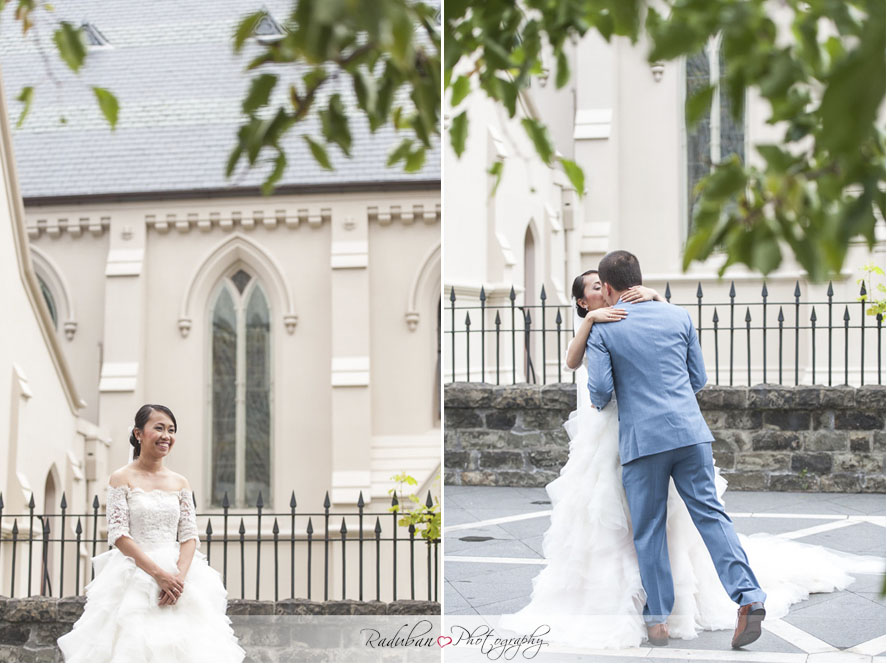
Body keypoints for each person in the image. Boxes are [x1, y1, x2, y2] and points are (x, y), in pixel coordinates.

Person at [500, 264, 881, 650]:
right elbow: (698, 379)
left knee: (648, 530)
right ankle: (749, 595)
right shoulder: (678, 314)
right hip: (690, 434)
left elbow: (598, 393)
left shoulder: (605, 330)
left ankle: (659, 622)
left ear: (611, 286)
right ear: (639, 278)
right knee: (712, 516)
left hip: (642, 442)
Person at [58, 404, 245, 663]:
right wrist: (159, 575)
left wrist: (177, 579)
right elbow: (119, 535)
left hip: (179, 577)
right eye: (159, 428)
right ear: (138, 433)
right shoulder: (120, 478)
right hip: (134, 573)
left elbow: (190, 536)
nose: (166, 435)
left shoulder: (180, 482)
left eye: (171, 430)